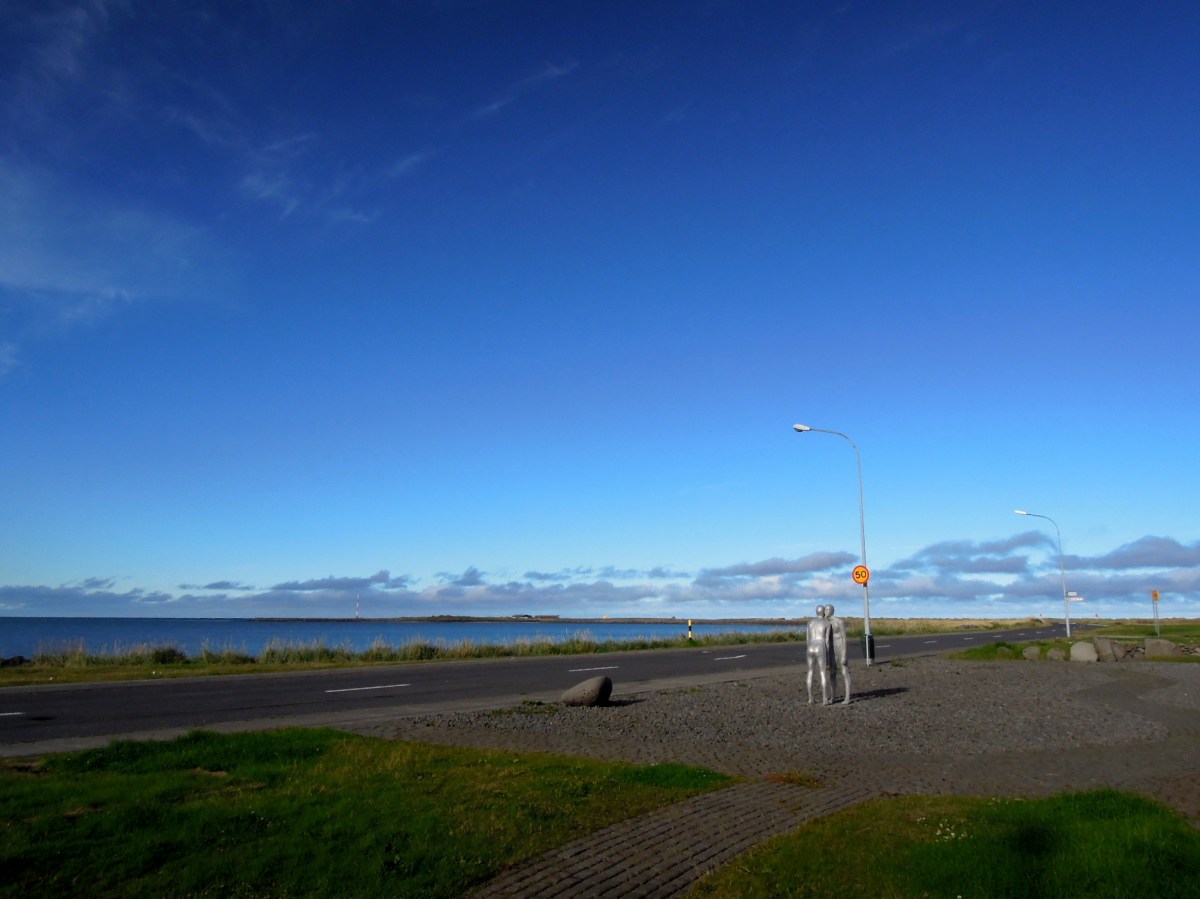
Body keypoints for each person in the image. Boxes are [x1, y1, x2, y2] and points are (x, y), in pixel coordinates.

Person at [824, 604, 851, 704]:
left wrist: (844, 654)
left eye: (827, 609)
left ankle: (847, 697)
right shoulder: (825, 622)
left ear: (832, 611)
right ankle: (833, 696)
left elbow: (844, 638)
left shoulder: (839, 622)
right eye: (825, 609)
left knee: (844, 671)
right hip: (831, 649)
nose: (825, 611)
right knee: (832, 673)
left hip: (840, 647)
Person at [806, 604, 832, 705]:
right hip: (820, 646)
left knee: (810, 672)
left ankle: (810, 698)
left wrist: (808, 648)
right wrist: (828, 655)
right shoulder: (826, 623)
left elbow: (808, 639)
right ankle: (824, 699)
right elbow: (826, 641)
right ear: (823, 612)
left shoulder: (810, 622)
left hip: (810, 646)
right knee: (822, 672)